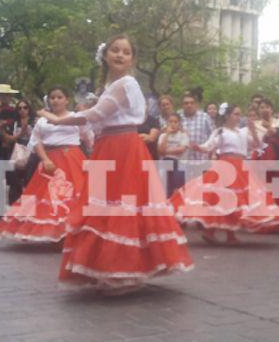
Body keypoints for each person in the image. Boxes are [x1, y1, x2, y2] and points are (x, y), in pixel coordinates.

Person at [38, 34, 192, 292]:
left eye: (126, 52)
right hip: (108, 147)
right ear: (106, 55)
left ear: (132, 59)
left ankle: (124, 270)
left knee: (121, 205)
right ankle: (108, 267)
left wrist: (56, 120)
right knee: (105, 207)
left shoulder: (126, 83)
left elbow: (96, 115)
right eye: (116, 50)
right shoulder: (110, 87)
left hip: (123, 147)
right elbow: (99, 117)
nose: (120, 55)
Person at [170, 103, 279, 243]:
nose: (239, 117)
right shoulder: (221, 131)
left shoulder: (243, 131)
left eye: (239, 114)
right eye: (236, 114)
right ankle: (212, 231)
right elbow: (209, 146)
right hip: (225, 167)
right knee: (219, 199)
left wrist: (254, 131)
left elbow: (257, 145)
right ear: (228, 116)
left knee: (234, 201)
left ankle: (226, 233)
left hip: (240, 167)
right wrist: (197, 147)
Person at [0, 86, 92, 243]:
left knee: (75, 195)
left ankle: (74, 231)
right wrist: (45, 159)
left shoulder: (75, 117)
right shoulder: (42, 121)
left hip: (73, 159)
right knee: (51, 198)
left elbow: (88, 138)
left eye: (60, 97)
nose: (56, 100)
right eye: (53, 97)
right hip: (50, 160)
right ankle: (58, 232)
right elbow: (36, 142)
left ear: (67, 100)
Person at [157, 113, 189, 197]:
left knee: (178, 188)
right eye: (170, 121)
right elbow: (160, 150)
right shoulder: (163, 136)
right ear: (167, 123)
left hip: (179, 163)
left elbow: (181, 150)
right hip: (165, 163)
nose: (173, 124)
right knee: (165, 189)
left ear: (179, 123)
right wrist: (167, 134)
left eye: (175, 122)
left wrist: (165, 151)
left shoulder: (183, 135)